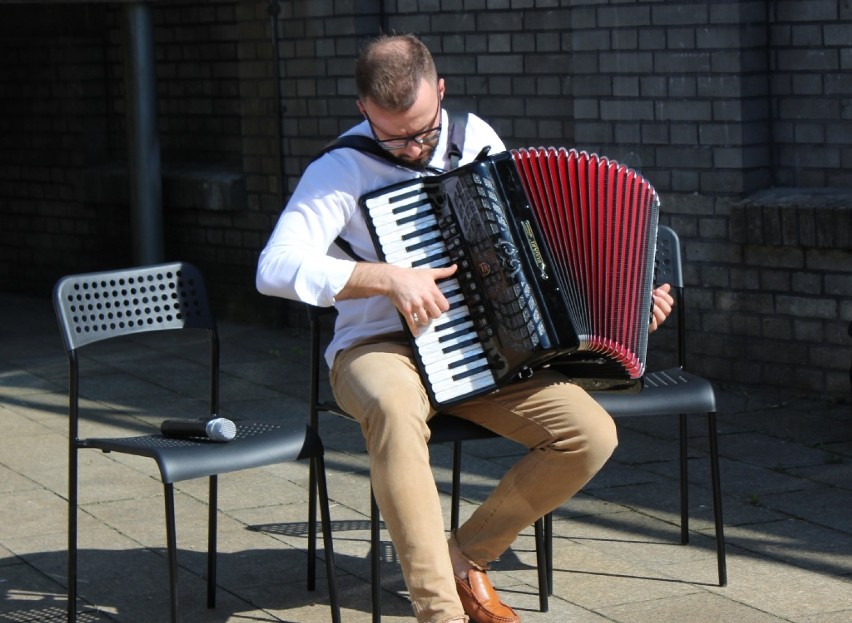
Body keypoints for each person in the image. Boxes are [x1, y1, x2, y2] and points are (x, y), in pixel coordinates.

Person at [257, 33, 674, 623]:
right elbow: (274, 268)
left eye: (424, 131)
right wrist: (386, 278)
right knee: (396, 414)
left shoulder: (476, 140)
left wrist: (632, 301)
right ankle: (441, 612)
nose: (410, 149)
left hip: (482, 346)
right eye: (392, 135)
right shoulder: (341, 168)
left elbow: (535, 255)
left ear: (442, 93)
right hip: (380, 347)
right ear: (363, 112)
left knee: (590, 435)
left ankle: (463, 555)